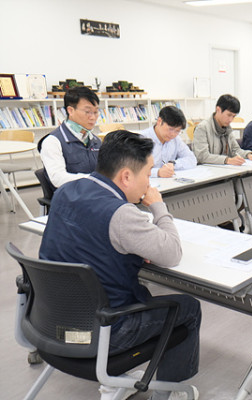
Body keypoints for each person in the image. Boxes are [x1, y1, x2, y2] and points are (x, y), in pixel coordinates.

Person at [39, 131, 201, 400]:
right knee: (188, 307)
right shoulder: (122, 215)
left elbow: (86, 239)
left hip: (52, 322)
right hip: (105, 331)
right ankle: (169, 391)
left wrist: (129, 246)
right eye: (148, 173)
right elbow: (172, 253)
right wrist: (158, 207)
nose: (149, 182)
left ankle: (114, 385)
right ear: (126, 176)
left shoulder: (66, 191)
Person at [39, 86, 102, 189]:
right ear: (70, 110)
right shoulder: (52, 142)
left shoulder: (96, 141)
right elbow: (58, 179)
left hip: (95, 192)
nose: (93, 117)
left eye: (96, 112)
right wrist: (93, 179)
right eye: (87, 112)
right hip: (71, 195)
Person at [193, 94, 252, 165]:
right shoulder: (202, 128)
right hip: (207, 169)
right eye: (229, 115)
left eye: (233, 116)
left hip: (223, 168)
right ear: (218, 110)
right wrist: (227, 160)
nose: (231, 120)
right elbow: (202, 156)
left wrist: (248, 155)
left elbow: (235, 150)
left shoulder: (227, 129)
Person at [140, 106, 197, 177]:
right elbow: (134, 169)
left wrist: (173, 164)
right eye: (170, 129)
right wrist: (158, 172)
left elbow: (192, 159)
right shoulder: (141, 139)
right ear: (159, 121)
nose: (173, 134)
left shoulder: (176, 139)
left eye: (177, 131)